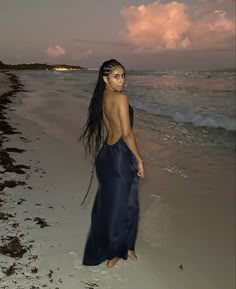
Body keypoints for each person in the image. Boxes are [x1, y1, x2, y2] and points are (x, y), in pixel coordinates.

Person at [80, 59, 144, 268]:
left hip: (107, 154)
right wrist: (139, 159)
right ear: (105, 78)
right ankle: (115, 253)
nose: (122, 80)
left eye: (123, 75)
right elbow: (126, 134)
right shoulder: (121, 98)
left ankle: (127, 246)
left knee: (117, 204)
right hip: (120, 156)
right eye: (116, 76)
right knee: (123, 205)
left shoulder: (102, 97)